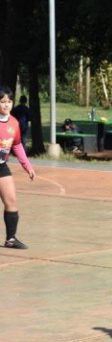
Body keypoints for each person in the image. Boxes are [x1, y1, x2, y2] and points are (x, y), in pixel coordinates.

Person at [0, 86, 35, 249]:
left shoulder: (14, 123)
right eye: (2, 102)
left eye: (9, 101)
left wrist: (27, 166)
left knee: (11, 201)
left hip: (2, 167)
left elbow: (17, 146)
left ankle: (11, 239)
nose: (6, 105)